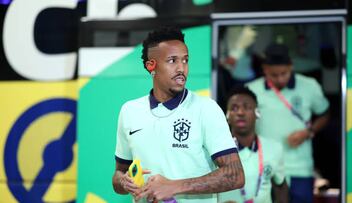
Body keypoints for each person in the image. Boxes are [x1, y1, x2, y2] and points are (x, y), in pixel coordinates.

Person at [112, 26, 245, 203]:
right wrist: (124, 181)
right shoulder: (129, 111)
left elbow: (235, 175)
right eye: (172, 61)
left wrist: (173, 186)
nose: (181, 68)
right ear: (151, 65)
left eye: (185, 60)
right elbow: (119, 174)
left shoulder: (206, 109)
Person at [246, 43, 330, 203]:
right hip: (265, 169)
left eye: (284, 73)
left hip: (300, 169)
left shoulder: (309, 86)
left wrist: (308, 132)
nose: (279, 79)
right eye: (274, 75)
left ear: (291, 66)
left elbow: (325, 114)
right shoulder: (251, 90)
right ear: (264, 69)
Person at [218, 86, 288, 203]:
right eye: (234, 108)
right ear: (227, 116)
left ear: (257, 113)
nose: (240, 112)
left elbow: (281, 187)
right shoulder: (215, 149)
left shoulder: (274, 148)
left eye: (247, 107)